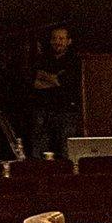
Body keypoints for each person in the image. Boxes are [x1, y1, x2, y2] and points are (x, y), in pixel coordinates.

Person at [27, 25, 82, 159]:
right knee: (40, 151)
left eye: (61, 38)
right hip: (43, 109)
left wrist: (48, 78)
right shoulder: (42, 59)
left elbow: (64, 82)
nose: (58, 41)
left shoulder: (75, 60)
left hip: (67, 110)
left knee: (66, 150)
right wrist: (55, 79)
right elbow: (35, 83)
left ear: (69, 41)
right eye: (55, 38)